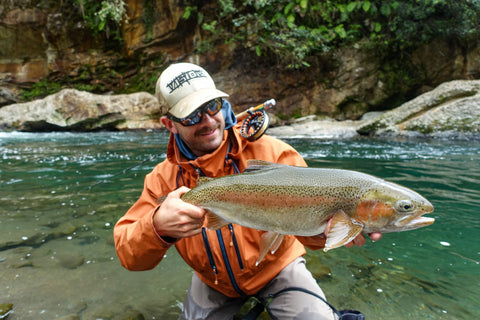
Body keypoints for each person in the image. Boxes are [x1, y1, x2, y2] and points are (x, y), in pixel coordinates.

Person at [113, 62, 382, 320]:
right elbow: (130, 256)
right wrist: (158, 227)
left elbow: (309, 235)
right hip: (213, 281)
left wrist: (332, 232)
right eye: (192, 115)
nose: (207, 121)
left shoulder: (276, 154)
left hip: (279, 270)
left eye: (212, 106)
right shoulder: (162, 179)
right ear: (170, 124)